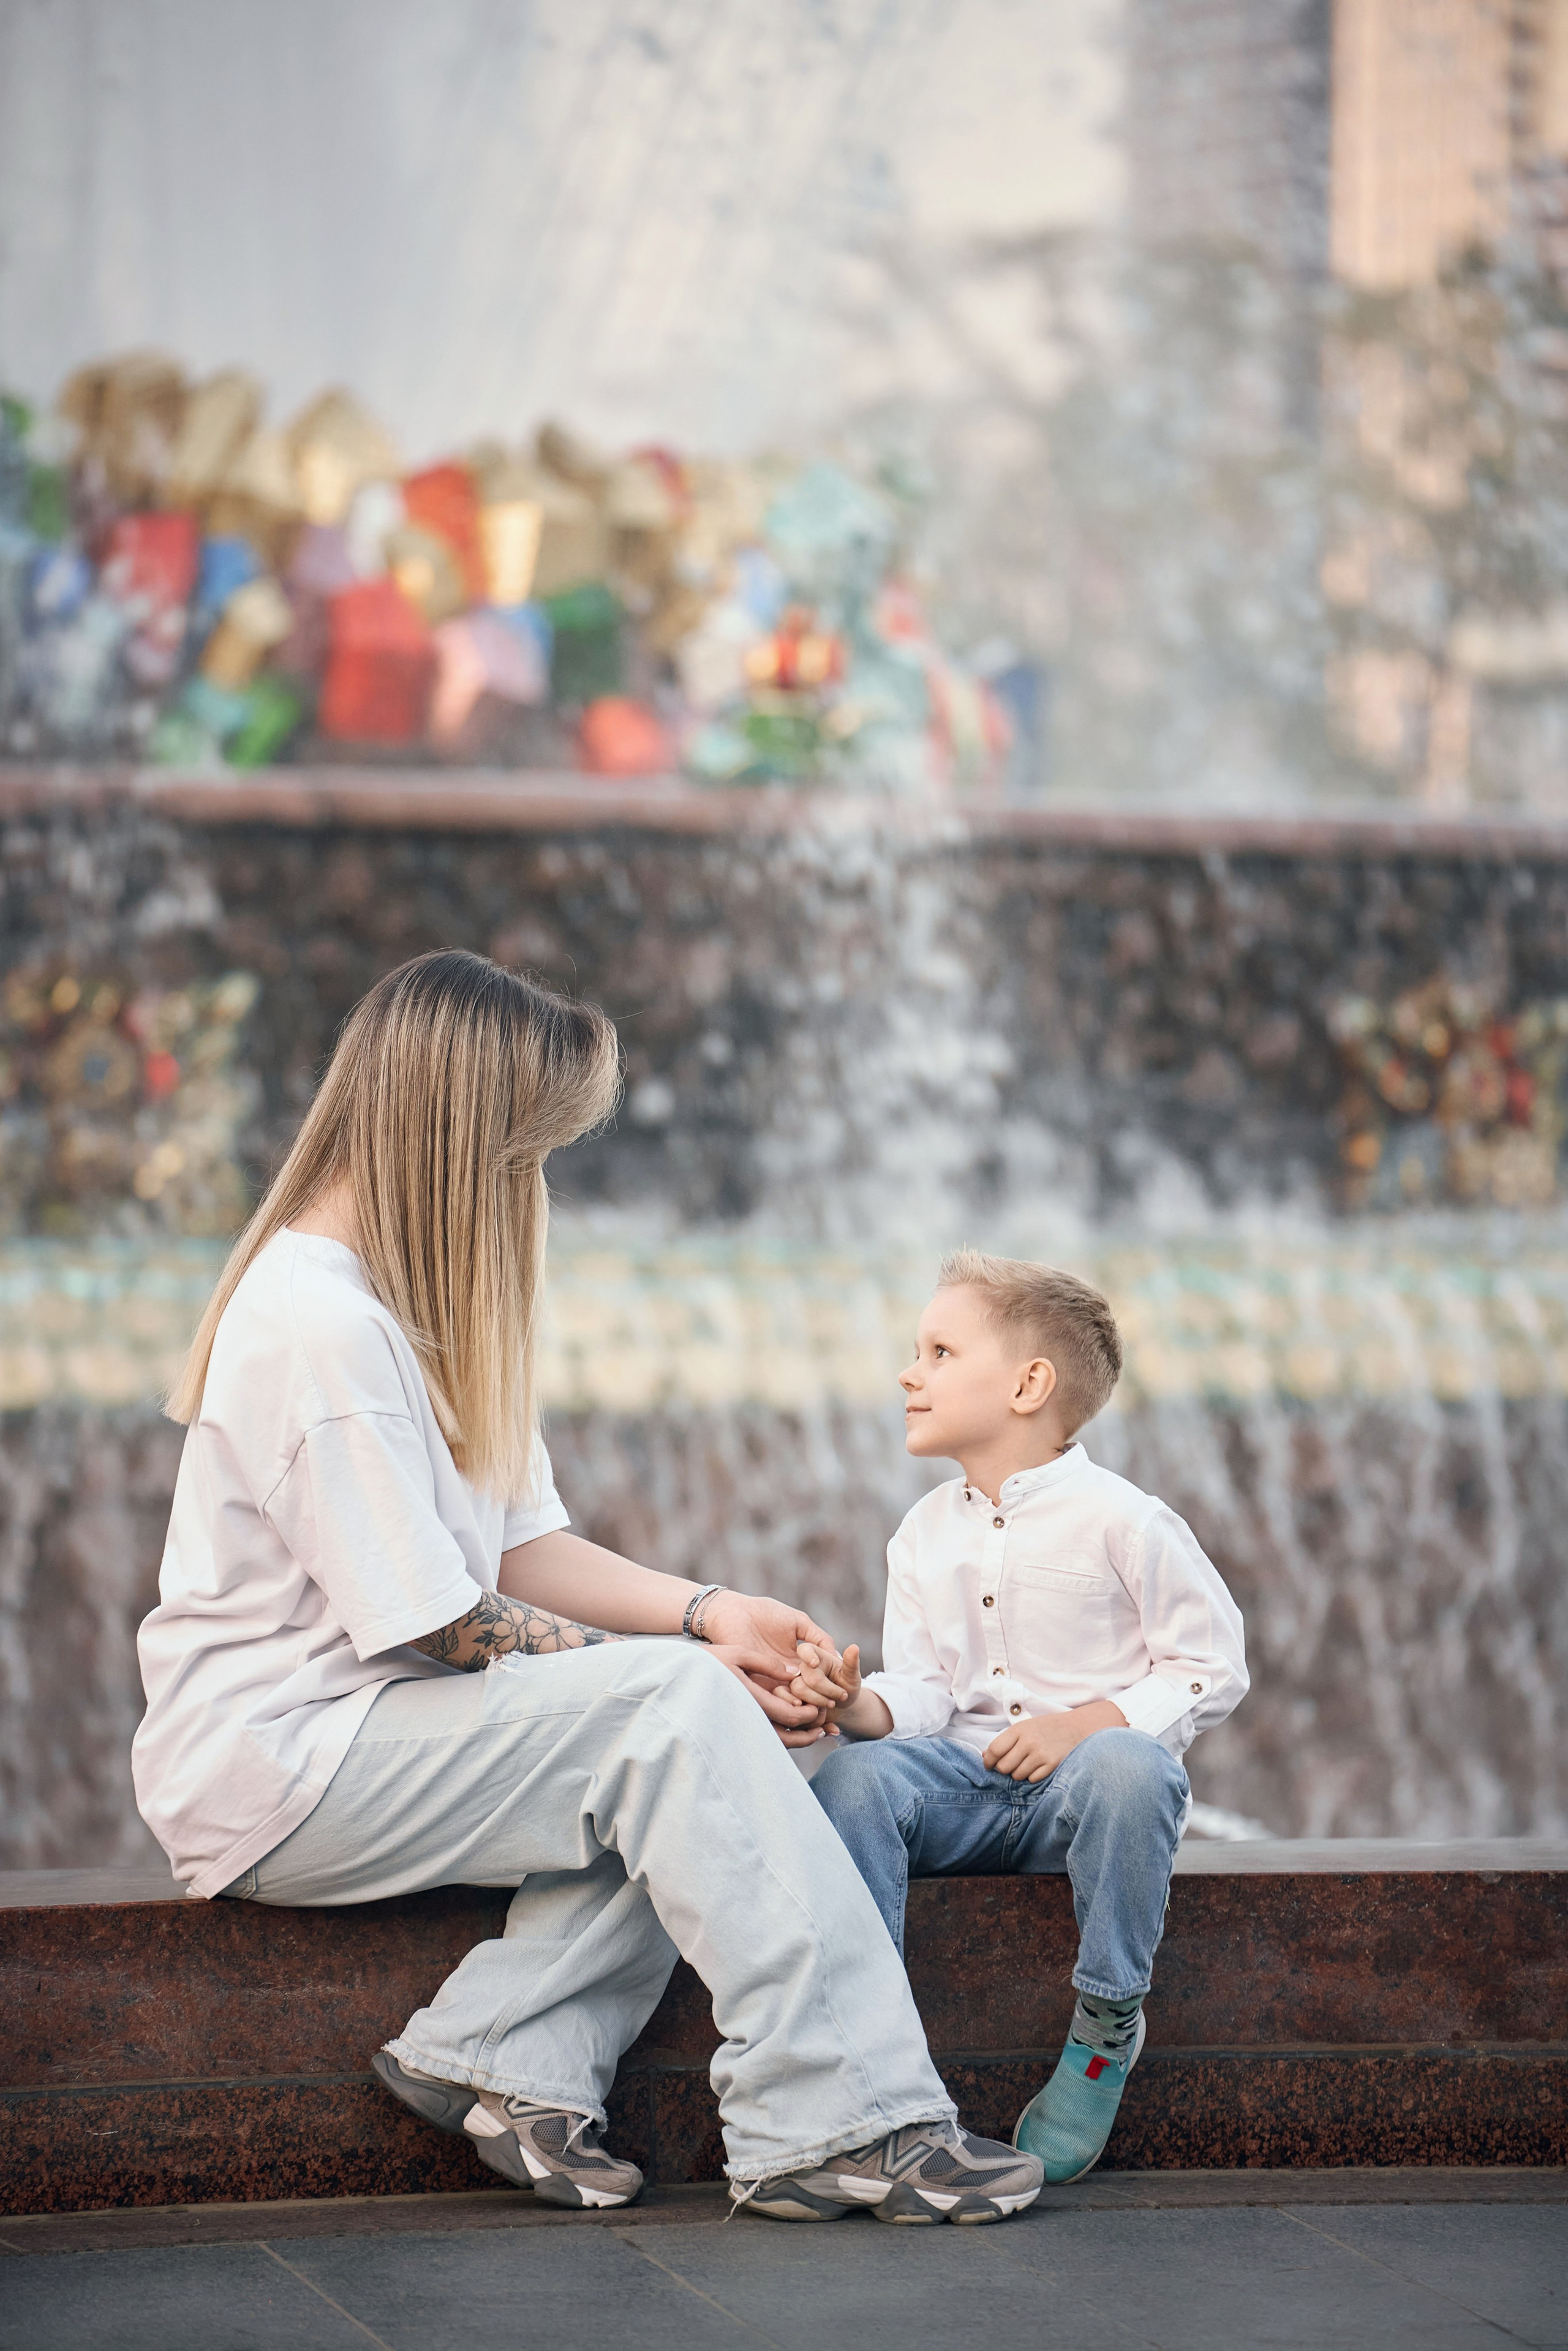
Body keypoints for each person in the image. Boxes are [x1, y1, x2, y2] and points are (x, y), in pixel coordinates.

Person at [132, 952, 1044, 2227]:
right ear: (461, 1135)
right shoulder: (314, 1323)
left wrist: (705, 1612)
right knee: (681, 1720)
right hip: (283, 1766)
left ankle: (509, 2055)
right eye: (529, 1148)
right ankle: (838, 2116)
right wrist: (691, 1680)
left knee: (722, 1725)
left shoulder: (414, 1300)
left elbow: (514, 1549)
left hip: (381, 1733)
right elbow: (440, 1621)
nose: (538, 1182)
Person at [794, 1249, 1248, 2185]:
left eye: (940, 1350)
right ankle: (866, 2047)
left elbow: (1213, 1663)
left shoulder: (1126, 1519)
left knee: (1136, 1766)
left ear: (1030, 1383)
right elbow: (924, 1689)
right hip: (962, 1790)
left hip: (1075, 1800)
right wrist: (861, 1702)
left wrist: (1084, 1724)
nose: (909, 1373)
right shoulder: (922, 1531)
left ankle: (1105, 2024)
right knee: (852, 1773)